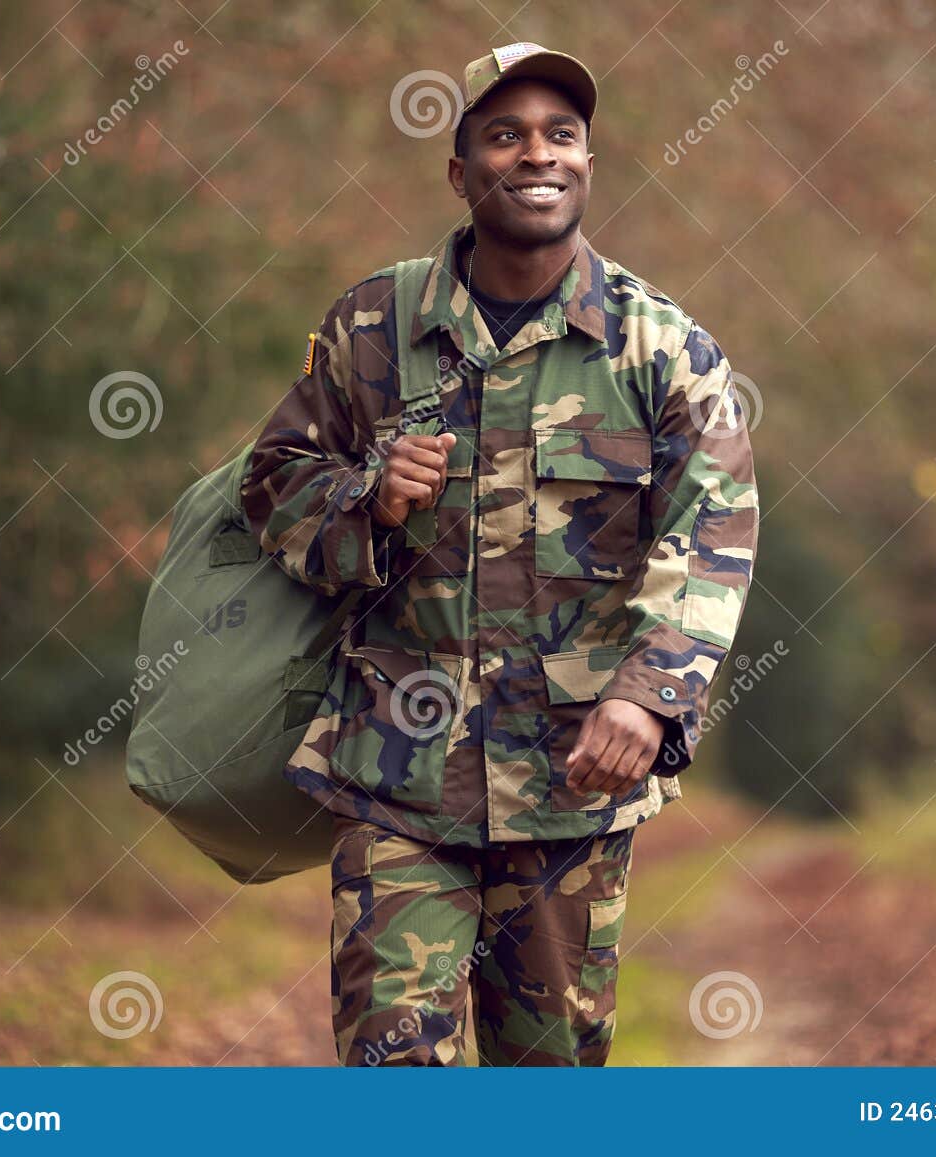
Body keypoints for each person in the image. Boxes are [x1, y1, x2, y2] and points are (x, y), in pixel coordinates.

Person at [242, 42, 759, 1066]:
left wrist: (648, 692)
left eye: (561, 135)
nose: (538, 154)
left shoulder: (660, 348)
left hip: (573, 779)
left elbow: (714, 530)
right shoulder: (372, 326)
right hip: (398, 772)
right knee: (392, 1066)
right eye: (505, 134)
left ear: (588, 162)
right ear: (460, 169)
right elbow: (271, 484)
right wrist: (367, 500)